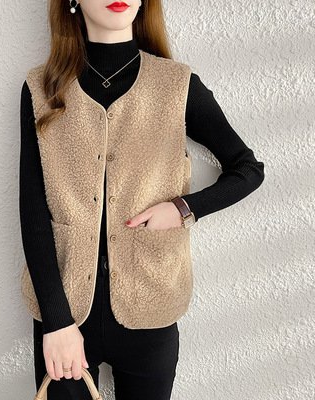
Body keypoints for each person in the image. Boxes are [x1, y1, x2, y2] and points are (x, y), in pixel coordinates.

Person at [19, 1, 265, 399]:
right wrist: (56, 322)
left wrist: (183, 209)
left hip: (152, 307)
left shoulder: (176, 85)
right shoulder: (42, 87)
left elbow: (248, 169)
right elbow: (32, 213)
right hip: (64, 313)